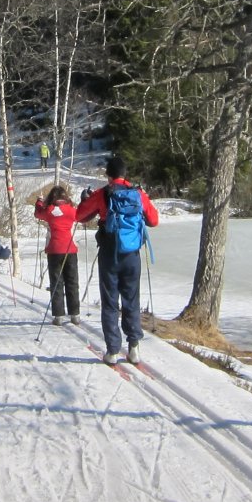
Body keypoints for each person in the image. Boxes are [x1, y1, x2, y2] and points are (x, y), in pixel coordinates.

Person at [74, 154, 160, 365]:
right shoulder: (137, 193)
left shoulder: (103, 194)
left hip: (110, 254)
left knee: (110, 301)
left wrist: (85, 200)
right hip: (132, 255)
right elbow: (154, 220)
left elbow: (80, 216)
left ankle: (112, 350)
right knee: (131, 300)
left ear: (108, 175)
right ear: (124, 174)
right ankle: (133, 347)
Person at [33, 184, 81, 324]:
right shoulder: (71, 210)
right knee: (72, 282)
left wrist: (39, 201)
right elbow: (81, 215)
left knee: (56, 282)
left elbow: (38, 213)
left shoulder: (49, 210)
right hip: (69, 249)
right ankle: (75, 314)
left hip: (54, 249)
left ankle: (58, 315)